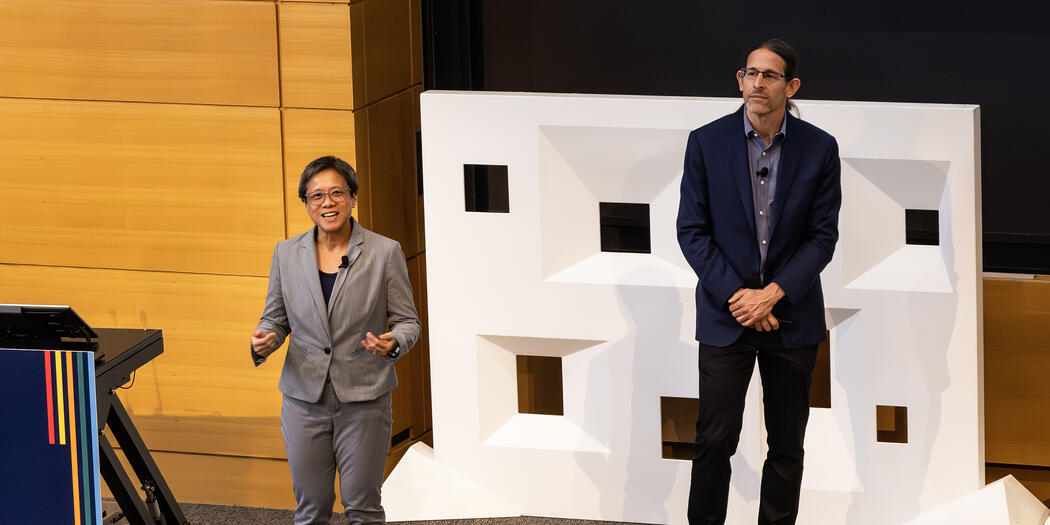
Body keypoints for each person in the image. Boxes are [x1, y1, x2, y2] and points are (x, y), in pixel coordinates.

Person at [676, 39, 841, 525]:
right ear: (740, 80)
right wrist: (741, 297)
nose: (757, 83)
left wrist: (772, 294)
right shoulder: (705, 142)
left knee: (787, 445)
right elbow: (691, 231)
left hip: (791, 320)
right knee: (714, 439)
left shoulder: (820, 148)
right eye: (750, 73)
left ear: (790, 87)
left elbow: (822, 237)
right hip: (727, 317)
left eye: (770, 75)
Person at [250, 155, 421, 525]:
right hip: (303, 401)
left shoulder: (384, 252)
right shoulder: (286, 254)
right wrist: (266, 339)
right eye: (316, 197)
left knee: (362, 507)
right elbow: (275, 317)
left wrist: (392, 343)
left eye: (336, 193)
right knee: (311, 509)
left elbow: (409, 322)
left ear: (353, 198)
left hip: (363, 401)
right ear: (306, 204)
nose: (327, 203)